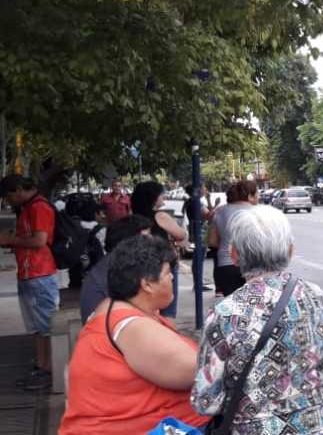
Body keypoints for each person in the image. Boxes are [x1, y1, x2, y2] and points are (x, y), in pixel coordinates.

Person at [191, 205, 323, 433]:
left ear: (233, 255)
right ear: (291, 250)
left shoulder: (226, 313)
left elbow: (206, 401)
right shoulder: (317, 297)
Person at [59, 235, 210, 434]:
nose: (173, 278)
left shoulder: (114, 308)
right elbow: (201, 372)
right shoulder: (132, 327)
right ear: (147, 284)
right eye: (167, 273)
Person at [0, 175, 60, 391]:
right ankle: (42, 365)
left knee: (46, 325)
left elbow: (39, 240)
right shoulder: (28, 208)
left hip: (40, 273)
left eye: (8, 197)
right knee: (36, 327)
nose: (8, 202)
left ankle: (49, 369)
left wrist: (10, 240)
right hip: (29, 273)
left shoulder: (39, 208)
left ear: (17, 190)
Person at [79, 215, 153, 322]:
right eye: (145, 238)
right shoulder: (118, 272)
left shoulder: (117, 263)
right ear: (128, 242)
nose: (151, 241)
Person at [130, 181, 187, 317]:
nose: (164, 197)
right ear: (153, 198)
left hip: (140, 266)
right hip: (163, 266)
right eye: (161, 194)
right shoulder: (160, 216)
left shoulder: (132, 218)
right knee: (167, 309)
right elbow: (181, 234)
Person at [207, 180, 257, 296]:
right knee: (252, 304)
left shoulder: (219, 211)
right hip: (252, 266)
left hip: (226, 265)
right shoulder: (257, 212)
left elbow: (212, 242)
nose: (258, 197)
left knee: (233, 306)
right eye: (257, 194)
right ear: (250, 196)